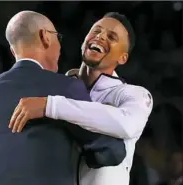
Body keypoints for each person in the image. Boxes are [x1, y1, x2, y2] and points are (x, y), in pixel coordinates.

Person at [0, 11, 126, 185]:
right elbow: (112, 152)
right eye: (57, 37)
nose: (60, 47)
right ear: (45, 36)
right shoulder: (66, 87)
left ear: (13, 49)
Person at [9, 12, 153, 185]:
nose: (100, 37)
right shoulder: (57, 86)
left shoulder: (133, 94)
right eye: (96, 31)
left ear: (123, 58)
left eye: (111, 37)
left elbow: (128, 124)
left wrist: (51, 105)